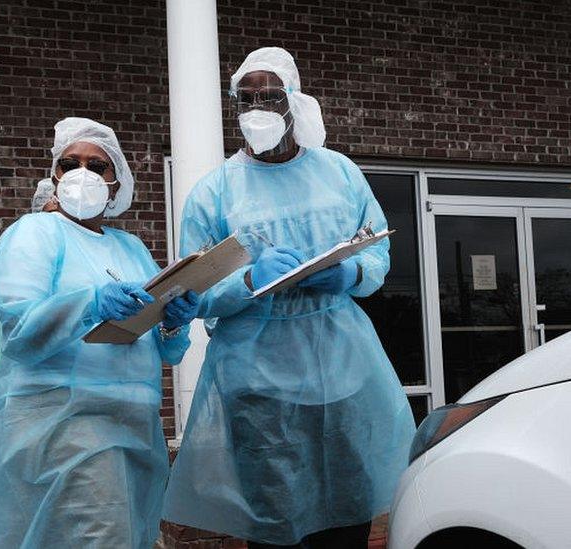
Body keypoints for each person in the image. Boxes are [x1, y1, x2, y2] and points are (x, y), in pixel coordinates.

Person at [162, 47, 416, 549]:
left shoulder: (339, 172)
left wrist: (349, 272)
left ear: (294, 102)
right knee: (275, 520)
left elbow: (378, 251)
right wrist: (247, 282)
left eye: (271, 95)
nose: (258, 107)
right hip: (257, 380)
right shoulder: (215, 192)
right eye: (246, 98)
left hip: (342, 368)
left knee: (349, 509)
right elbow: (193, 289)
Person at [0, 117, 201, 548]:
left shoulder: (132, 248)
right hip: (63, 424)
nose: (83, 174)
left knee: (133, 536)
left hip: (136, 427)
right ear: (54, 175)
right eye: (70, 163)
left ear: (116, 183)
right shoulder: (34, 233)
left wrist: (174, 319)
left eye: (97, 166)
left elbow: (165, 351)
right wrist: (90, 303)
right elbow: (19, 331)